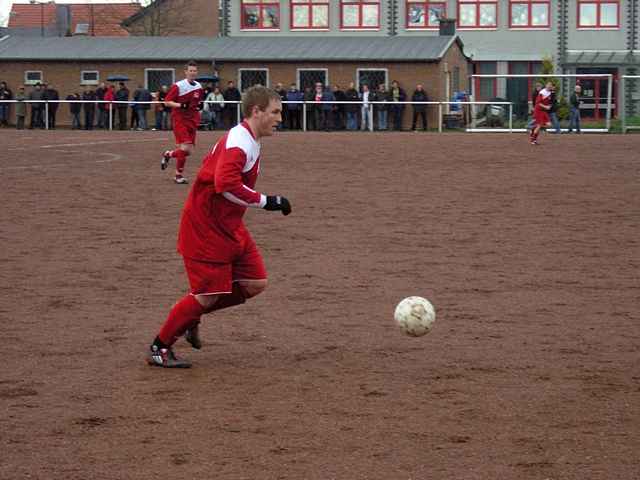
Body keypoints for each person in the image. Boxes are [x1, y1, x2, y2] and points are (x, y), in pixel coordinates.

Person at [146, 85, 292, 368]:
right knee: (207, 294)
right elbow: (226, 185)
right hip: (207, 226)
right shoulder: (240, 143)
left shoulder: (248, 138)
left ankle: (190, 316)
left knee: (254, 283)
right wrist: (268, 201)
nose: (280, 118)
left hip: (229, 224)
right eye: (275, 112)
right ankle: (160, 346)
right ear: (256, 111)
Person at [161, 60, 204, 184]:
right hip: (179, 119)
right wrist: (181, 105)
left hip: (192, 120)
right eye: (190, 70)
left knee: (188, 152)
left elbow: (196, 102)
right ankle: (178, 176)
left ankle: (168, 154)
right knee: (184, 148)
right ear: (185, 72)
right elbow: (167, 102)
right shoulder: (178, 86)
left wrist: (198, 106)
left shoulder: (199, 87)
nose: (193, 73)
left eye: (195, 71)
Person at [530, 81, 553, 145]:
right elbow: (538, 103)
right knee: (539, 125)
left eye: (551, 85)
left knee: (549, 124)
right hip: (539, 110)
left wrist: (549, 105)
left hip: (543, 111)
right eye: (548, 85)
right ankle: (533, 140)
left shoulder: (550, 92)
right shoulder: (542, 92)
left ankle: (533, 129)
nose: (549, 86)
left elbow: (550, 101)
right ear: (546, 86)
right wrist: (546, 107)